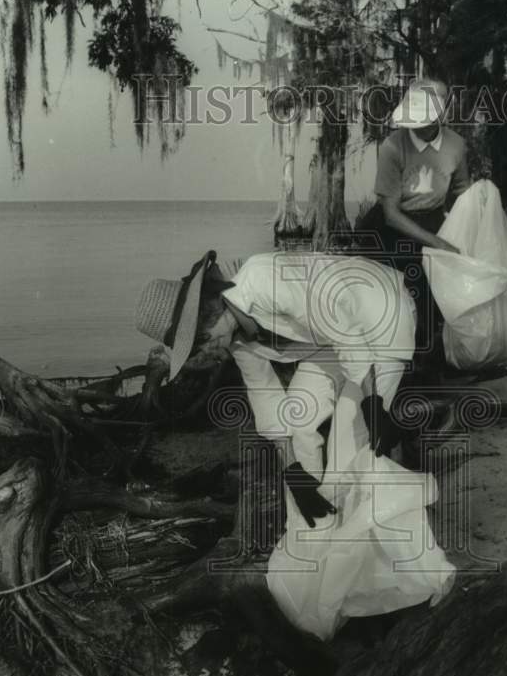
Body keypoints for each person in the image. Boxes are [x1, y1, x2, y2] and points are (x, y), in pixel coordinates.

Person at [135, 250, 454, 639]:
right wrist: (294, 474)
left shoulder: (265, 279)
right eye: (198, 348)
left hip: (379, 315)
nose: (207, 352)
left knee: (350, 449)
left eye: (202, 340)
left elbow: (348, 326)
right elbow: (267, 400)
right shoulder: (235, 338)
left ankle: (411, 571)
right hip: (331, 339)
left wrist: (371, 404)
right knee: (297, 423)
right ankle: (314, 540)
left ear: (212, 308)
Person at [357, 79, 472, 361]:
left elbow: (461, 194)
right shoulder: (392, 147)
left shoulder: (456, 145)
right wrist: (437, 244)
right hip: (390, 227)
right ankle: (387, 363)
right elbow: (391, 214)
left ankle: (426, 364)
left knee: (434, 295)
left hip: (432, 220)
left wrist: (467, 231)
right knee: (389, 297)